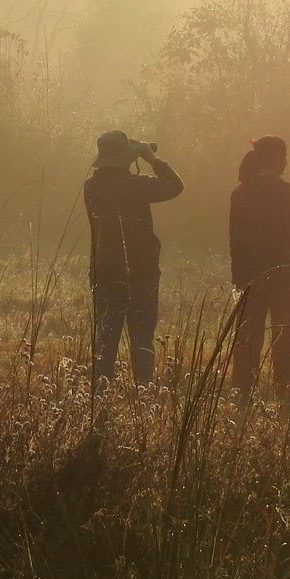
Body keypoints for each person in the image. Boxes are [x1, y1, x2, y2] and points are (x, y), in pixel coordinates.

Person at [84, 131, 183, 390]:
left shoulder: (91, 187)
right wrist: (151, 158)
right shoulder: (137, 186)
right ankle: (143, 393)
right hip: (140, 272)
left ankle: (100, 394)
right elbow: (175, 186)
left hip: (104, 272)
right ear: (125, 158)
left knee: (105, 341)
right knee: (142, 339)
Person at [228, 136, 290, 402]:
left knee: (248, 335)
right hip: (283, 274)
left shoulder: (239, 192)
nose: (286, 162)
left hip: (249, 274)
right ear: (276, 160)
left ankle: (242, 389)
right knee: (284, 335)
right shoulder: (285, 191)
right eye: (284, 157)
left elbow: (234, 236)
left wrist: (239, 275)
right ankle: (285, 391)